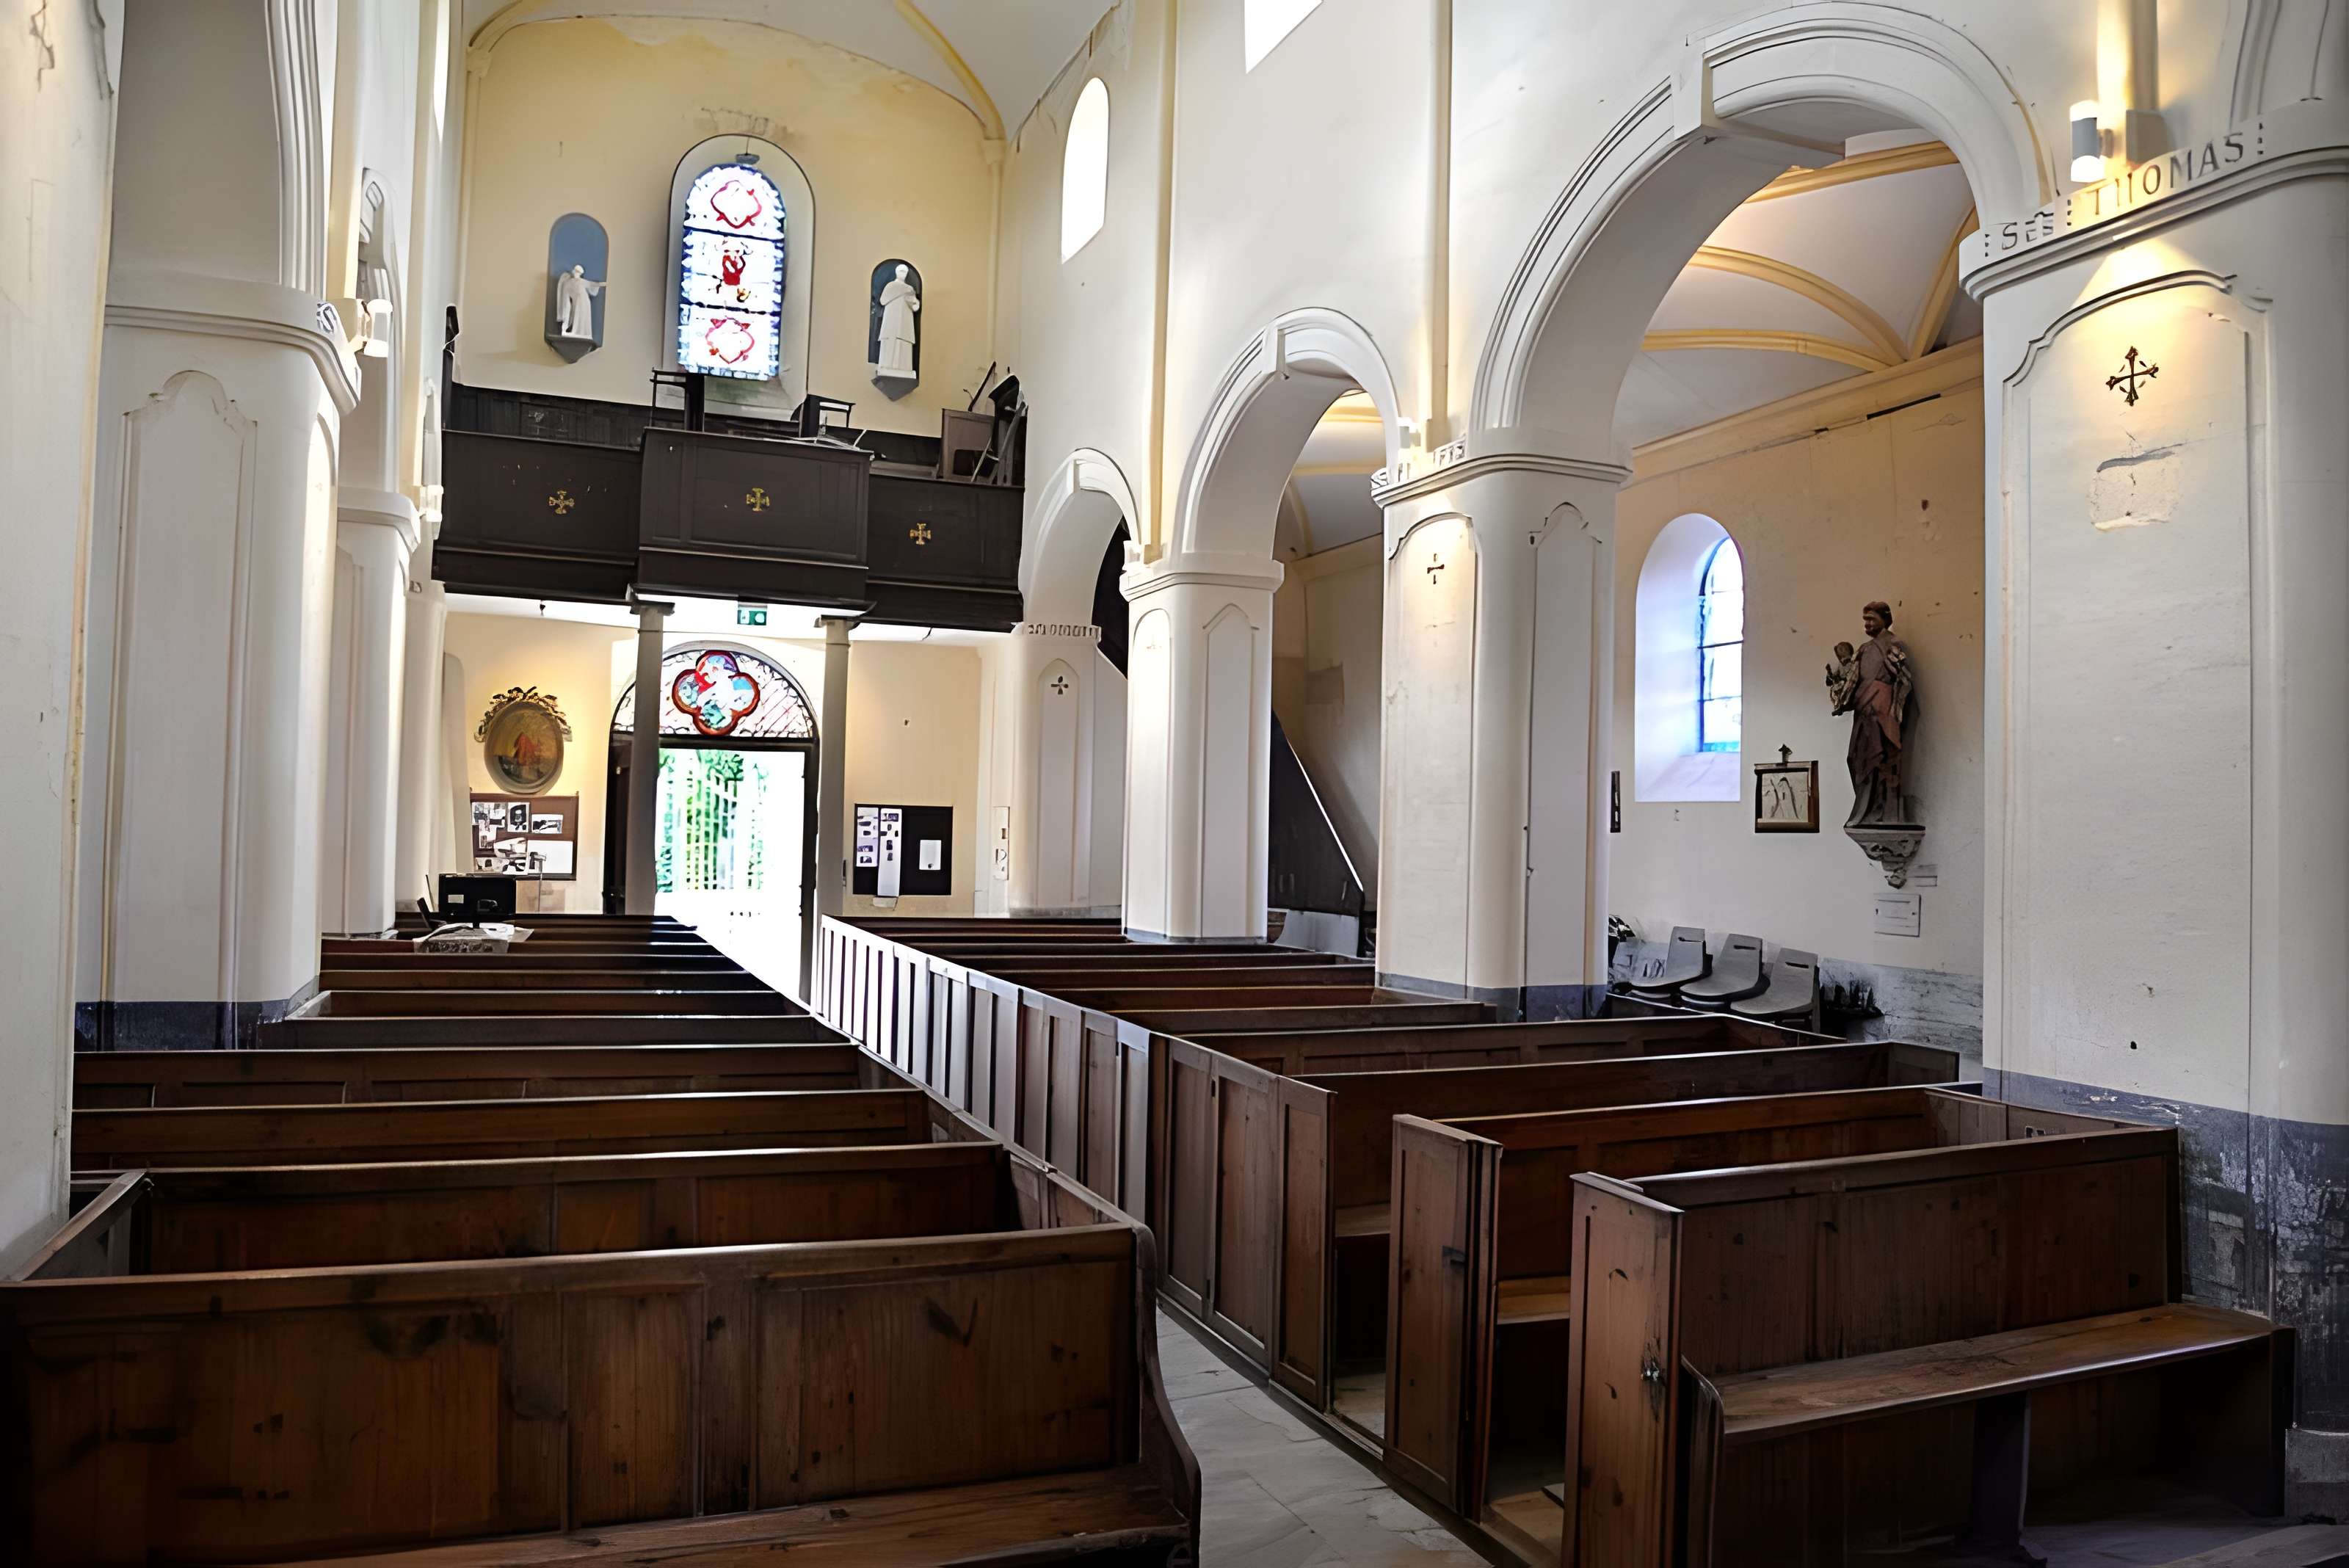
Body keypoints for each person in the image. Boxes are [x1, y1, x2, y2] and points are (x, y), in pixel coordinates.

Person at [1829, 600, 1913, 825]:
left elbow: (1904, 679)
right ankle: (1866, 811)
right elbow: (1852, 683)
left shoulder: (1892, 645)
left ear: (1885, 619)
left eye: (1872, 619)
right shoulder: (1864, 649)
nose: (1867, 624)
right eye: (1865, 619)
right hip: (1864, 712)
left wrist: (1891, 705)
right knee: (1856, 758)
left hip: (1882, 711)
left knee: (1882, 757)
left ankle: (1885, 812)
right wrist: (1839, 689)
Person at [875, 264, 920, 377]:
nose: (902, 274)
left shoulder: (909, 289)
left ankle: (903, 368)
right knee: (890, 341)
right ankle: (887, 366)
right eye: (900, 271)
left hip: (905, 321)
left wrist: (913, 299)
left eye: (904, 272)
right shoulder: (891, 286)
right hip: (891, 320)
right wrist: (902, 292)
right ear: (896, 272)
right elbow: (883, 300)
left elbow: (915, 306)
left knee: (903, 342)